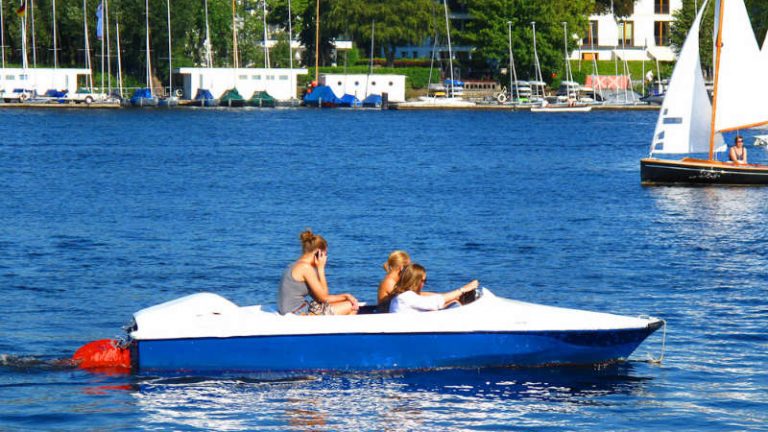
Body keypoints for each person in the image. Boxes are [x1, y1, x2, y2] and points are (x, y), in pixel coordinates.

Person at [278, 229, 359, 316]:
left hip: (295, 309)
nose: (325, 258)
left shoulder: (296, 265)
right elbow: (324, 298)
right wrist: (321, 268)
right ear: (318, 253)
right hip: (299, 312)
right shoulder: (305, 268)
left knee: (346, 303)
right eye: (325, 254)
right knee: (351, 306)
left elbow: (319, 298)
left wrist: (345, 297)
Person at [389, 264, 478, 314]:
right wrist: (463, 289)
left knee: (454, 303)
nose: (424, 283)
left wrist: (455, 297)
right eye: (423, 280)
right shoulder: (406, 297)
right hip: (411, 330)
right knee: (455, 306)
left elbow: (426, 297)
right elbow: (433, 302)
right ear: (415, 281)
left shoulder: (402, 296)